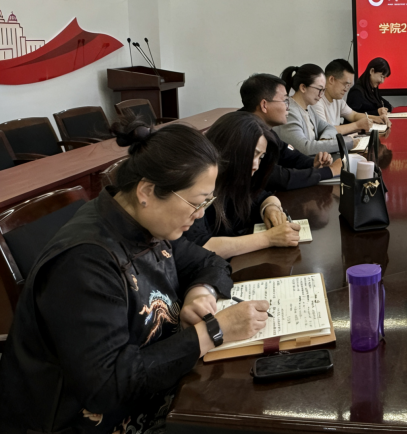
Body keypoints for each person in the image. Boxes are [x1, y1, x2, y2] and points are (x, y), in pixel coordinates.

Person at [0, 119, 270, 433]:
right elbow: (106, 387)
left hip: (159, 384)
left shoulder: (145, 221)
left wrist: (201, 293)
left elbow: (209, 263)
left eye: (206, 202)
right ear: (147, 191)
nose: (199, 215)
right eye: (196, 203)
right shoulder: (85, 263)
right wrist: (213, 331)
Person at [185, 111, 303, 259]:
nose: (256, 165)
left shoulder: (235, 180)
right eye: (253, 154)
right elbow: (200, 247)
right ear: (230, 149)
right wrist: (269, 238)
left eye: (261, 157)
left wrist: (271, 208)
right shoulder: (196, 185)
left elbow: (261, 196)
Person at [240, 73, 341, 191]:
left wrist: (314, 162)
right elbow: (278, 178)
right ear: (264, 105)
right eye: (285, 101)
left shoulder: (264, 128)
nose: (288, 107)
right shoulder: (243, 132)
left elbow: (288, 153)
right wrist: (330, 171)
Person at [275, 63, 352, 155]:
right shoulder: (289, 111)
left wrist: (324, 140)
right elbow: (305, 148)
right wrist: (348, 142)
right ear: (303, 88)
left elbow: (329, 127)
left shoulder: (308, 108)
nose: (321, 95)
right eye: (319, 89)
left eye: (323, 90)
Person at [314, 59, 379, 135]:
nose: (346, 89)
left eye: (349, 86)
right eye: (345, 84)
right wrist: (357, 125)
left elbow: (353, 115)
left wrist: (377, 118)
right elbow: (326, 130)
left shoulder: (337, 99)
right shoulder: (316, 101)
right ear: (331, 80)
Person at [347, 57, 393, 124]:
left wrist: (384, 110)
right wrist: (377, 112)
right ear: (372, 71)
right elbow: (352, 116)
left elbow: (386, 105)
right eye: (381, 76)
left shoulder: (373, 89)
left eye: (384, 78)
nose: (382, 81)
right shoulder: (356, 92)